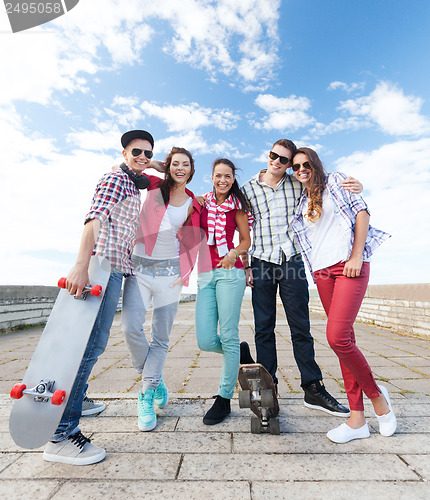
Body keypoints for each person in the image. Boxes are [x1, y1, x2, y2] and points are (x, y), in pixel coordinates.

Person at [43, 129, 156, 465]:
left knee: (87, 344)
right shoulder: (115, 180)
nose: (143, 158)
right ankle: (61, 434)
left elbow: (153, 175)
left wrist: (151, 162)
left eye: (148, 153)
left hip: (114, 268)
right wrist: (81, 265)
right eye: (136, 152)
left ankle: (77, 399)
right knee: (89, 346)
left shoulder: (134, 180)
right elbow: (93, 220)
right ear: (123, 152)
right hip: (101, 269)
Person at [240, 139, 362, 417]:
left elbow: (325, 182)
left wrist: (358, 186)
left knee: (301, 328)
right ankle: (268, 391)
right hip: (261, 261)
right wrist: (246, 265)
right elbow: (234, 219)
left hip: (292, 259)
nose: (278, 162)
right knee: (263, 328)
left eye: (285, 160)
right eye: (274, 156)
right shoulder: (247, 188)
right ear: (268, 154)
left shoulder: (297, 183)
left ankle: (313, 388)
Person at [291, 147, 396, 443]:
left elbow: (362, 213)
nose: (301, 170)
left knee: (336, 337)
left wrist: (356, 255)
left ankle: (378, 398)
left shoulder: (336, 181)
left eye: (306, 164)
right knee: (344, 341)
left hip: (350, 265)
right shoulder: (301, 200)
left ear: (316, 164)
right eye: (296, 167)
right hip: (322, 272)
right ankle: (357, 420)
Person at [121, 147, 203, 432]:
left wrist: (185, 272)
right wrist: (158, 164)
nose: (180, 168)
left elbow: (194, 239)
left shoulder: (195, 202)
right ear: (169, 167)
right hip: (140, 268)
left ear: (192, 170)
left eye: (186, 164)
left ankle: (146, 393)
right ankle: (154, 378)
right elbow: (127, 169)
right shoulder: (155, 185)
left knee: (161, 336)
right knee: (130, 327)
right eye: (175, 163)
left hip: (170, 274)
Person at [195, 158, 253, 425]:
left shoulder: (238, 207)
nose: (222, 180)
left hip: (231, 273)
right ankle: (238, 353)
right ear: (212, 177)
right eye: (218, 175)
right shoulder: (202, 203)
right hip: (205, 273)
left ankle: (224, 398)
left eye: (227, 176)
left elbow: (245, 241)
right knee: (205, 340)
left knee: (228, 334)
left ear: (233, 178)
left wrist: (232, 255)